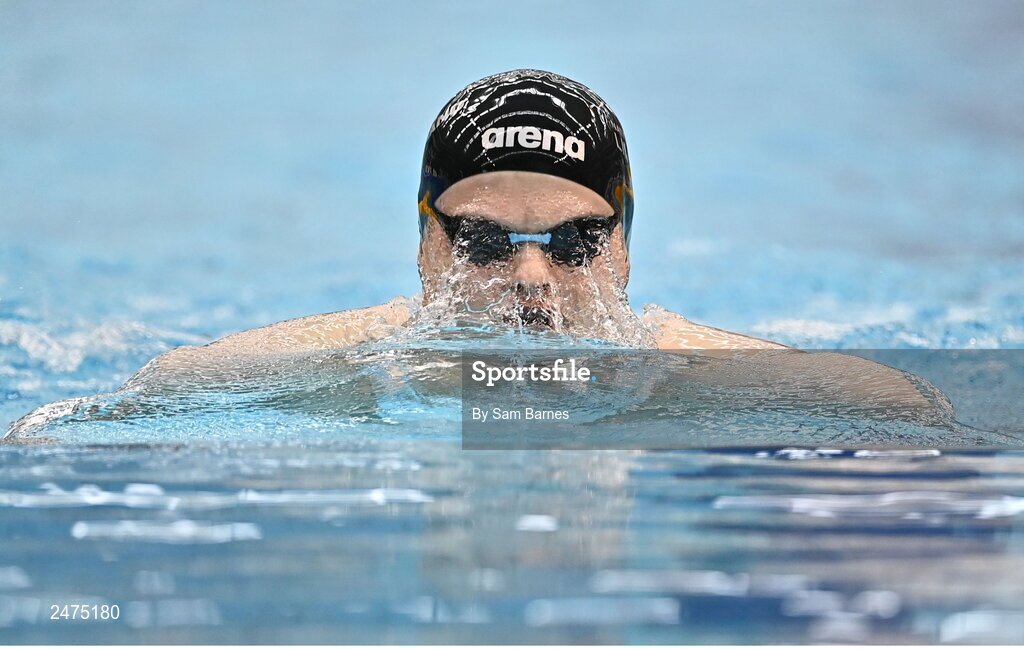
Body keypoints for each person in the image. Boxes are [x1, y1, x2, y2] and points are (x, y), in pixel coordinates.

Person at [156, 68, 787, 365]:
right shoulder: (330, 365)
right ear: (428, 245)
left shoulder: (713, 371)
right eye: (485, 240)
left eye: (573, 242)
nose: (532, 276)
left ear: (622, 248)